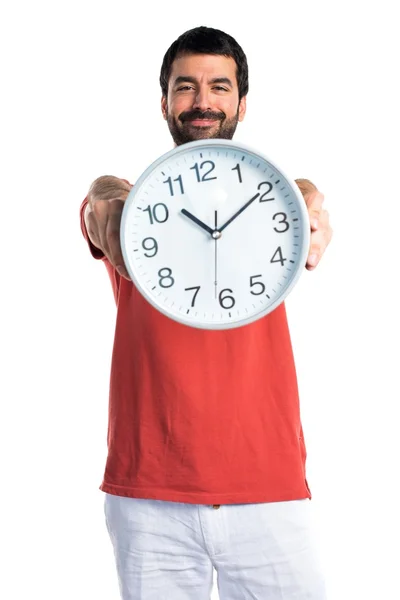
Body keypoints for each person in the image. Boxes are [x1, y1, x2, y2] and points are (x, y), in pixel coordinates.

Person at [80, 26, 332, 600]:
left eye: (219, 86)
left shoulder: (279, 206)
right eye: (185, 86)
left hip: (268, 488)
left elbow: (307, 199)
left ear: (242, 102)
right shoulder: (130, 207)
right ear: (165, 102)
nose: (202, 101)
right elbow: (102, 201)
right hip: (150, 495)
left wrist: (307, 196)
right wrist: (101, 195)